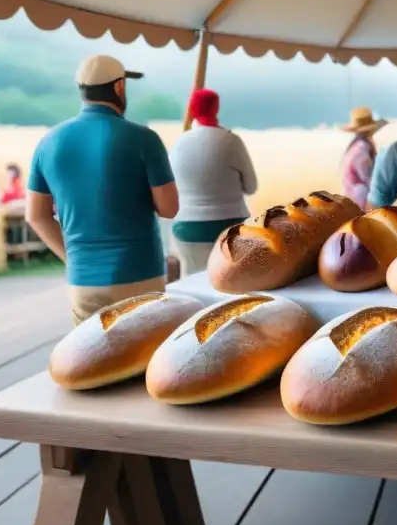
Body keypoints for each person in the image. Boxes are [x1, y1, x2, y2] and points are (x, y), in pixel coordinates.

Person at [25, 55, 179, 324]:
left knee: (92, 362)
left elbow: (36, 216)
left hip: (82, 281)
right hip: (139, 275)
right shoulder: (144, 139)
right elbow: (169, 208)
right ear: (120, 87)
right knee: (143, 360)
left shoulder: (48, 142)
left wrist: (73, 258)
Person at [168, 88, 258, 275]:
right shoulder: (231, 141)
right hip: (230, 229)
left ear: (191, 109)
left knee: (191, 283)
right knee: (230, 285)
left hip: (187, 230)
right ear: (216, 108)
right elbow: (251, 187)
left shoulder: (178, 144)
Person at [339, 106, 387, 210]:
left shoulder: (357, 144)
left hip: (353, 193)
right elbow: (367, 177)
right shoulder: (362, 147)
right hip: (359, 197)